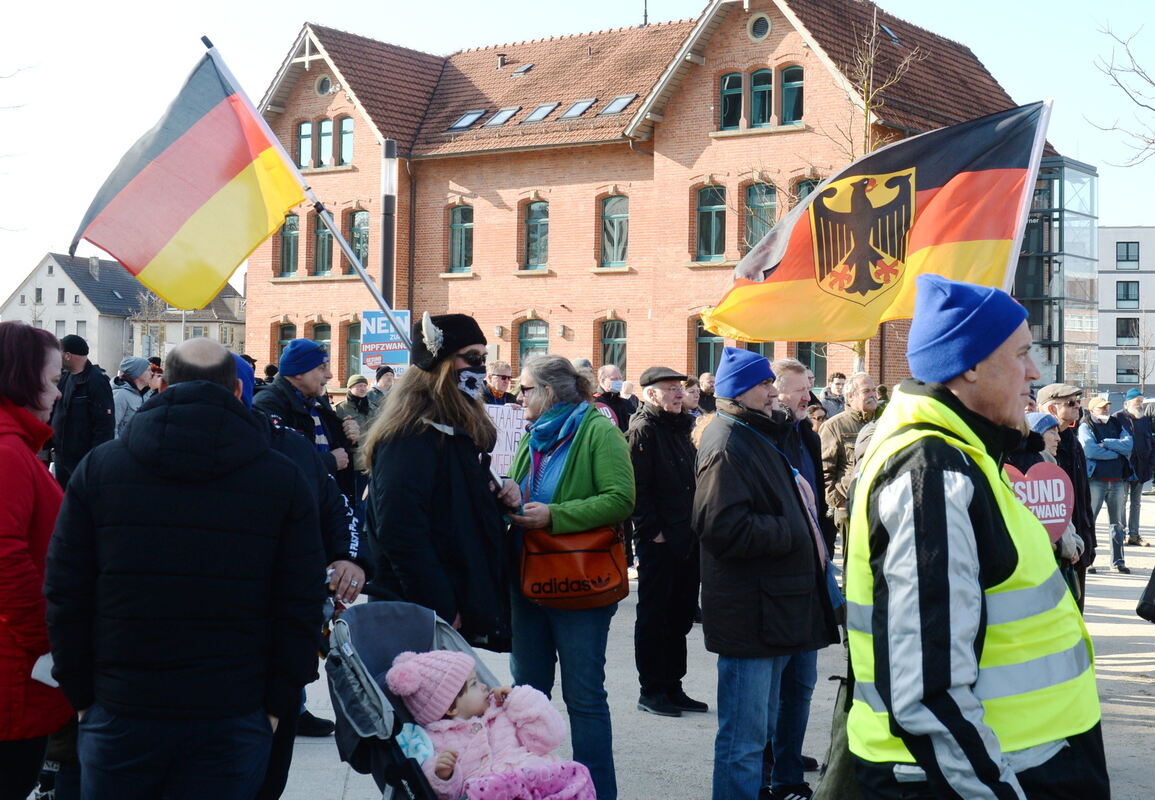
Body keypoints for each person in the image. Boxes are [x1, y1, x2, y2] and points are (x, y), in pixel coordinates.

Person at [845, 275, 1107, 799]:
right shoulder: (933, 471)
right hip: (984, 773)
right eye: (1022, 354)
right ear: (968, 364)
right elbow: (924, 690)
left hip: (1020, 758)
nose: (1034, 373)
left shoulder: (964, 456)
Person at [44, 338, 326, 800]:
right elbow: (299, 602)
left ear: (165, 384)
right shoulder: (281, 478)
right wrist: (279, 701)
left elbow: (64, 592)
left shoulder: (101, 468)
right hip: (224, 708)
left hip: (130, 706)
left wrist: (80, 693)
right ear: (238, 390)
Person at [693, 347, 838, 800]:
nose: (772, 391)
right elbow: (720, 527)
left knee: (760, 733)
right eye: (764, 384)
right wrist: (792, 528)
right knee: (744, 740)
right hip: (750, 613)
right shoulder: (728, 443)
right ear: (740, 391)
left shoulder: (756, 433)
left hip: (772, 607)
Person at [507, 354, 636, 800]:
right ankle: (525, 786)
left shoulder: (598, 429)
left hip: (580, 582)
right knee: (527, 697)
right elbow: (522, 483)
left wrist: (554, 516)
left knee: (583, 697)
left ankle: (597, 792)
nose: (517, 395)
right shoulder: (533, 434)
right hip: (528, 579)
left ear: (547, 392)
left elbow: (621, 499)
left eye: (525, 389)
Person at [362, 313, 520, 652]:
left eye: (484, 358)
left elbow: (452, 508)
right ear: (442, 363)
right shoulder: (411, 435)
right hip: (418, 612)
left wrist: (496, 494)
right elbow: (400, 529)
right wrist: (439, 605)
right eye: (473, 358)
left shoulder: (452, 431)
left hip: (449, 600)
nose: (480, 368)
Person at [0, 323, 74, 799]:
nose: (58, 394)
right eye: (51, 380)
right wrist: (48, 640)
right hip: (13, 674)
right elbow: (4, 559)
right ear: (22, 378)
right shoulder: (7, 452)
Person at [384, 650, 595, 800]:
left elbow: (551, 738)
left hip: (537, 781)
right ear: (451, 708)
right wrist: (443, 775)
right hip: (492, 790)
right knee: (488, 789)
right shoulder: (436, 741)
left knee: (578, 773)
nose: (485, 686)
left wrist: (519, 699)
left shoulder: (503, 713)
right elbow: (446, 793)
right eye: (474, 684)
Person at [627, 366, 705, 718]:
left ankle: (674, 685)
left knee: (681, 614)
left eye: (679, 387)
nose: (678, 393)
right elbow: (636, 488)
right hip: (660, 540)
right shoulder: (644, 430)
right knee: (655, 615)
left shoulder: (683, 426)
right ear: (651, 394)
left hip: (687, 536)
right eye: (669, 388)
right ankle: (652, 689)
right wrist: (651, 530)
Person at [253, 339, 358, 504]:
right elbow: (274, 463)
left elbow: (337, 452)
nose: (329, 375)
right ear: (298, 372)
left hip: (322, 504)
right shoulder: (269, 404)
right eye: (321, 368)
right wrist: (328, 462)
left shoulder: (317, 401)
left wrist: (347, 437)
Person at [1037, 383, 1096, 609]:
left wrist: (1088, 540)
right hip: (1055, 549)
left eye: (1078, 402)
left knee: (1076, 610)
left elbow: (1082, 497)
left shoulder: (1071, 440)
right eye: (1070, 403)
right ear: (1051, 409)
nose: (1077, 407)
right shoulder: (1039, 448)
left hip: (1079, 541)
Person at [820, 372, 879, 549]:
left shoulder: (885, 422)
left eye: (874, 390)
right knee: (854, 567)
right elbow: (824, 468)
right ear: (850, 396)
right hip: (850, 507)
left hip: (880, 504)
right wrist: (839, 502)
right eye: (866, 391)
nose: (873, 395)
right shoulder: (834, 426)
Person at [48, 334, 114, 488]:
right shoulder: (64, 378)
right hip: (60, 456)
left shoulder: (96, 381)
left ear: (68, 355)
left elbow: (105, 425)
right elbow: (55, 412)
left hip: (83, 460)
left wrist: (95, 459)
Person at [1079, 395, 1133, 574]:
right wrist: (1116, 453)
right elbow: (1089, 449)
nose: (1106, 410)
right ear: (1092, 410)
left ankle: (1118, 561)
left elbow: (1128, 445)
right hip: (1096, 481)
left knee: (1117, 524)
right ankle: (1088, 560)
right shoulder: (1086, 425)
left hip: (1117, 481)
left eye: (1107, 407)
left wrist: (1107, 444)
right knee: (1090, 522)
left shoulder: (1116, 424)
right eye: (1102, 408)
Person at [1116, 388, 1153, 547]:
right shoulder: (1117, 418)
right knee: (1122, 501)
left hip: (1141, 468)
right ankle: (1122, 533)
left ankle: (1134, 534)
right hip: (1124, 468)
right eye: (1137, 401)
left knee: (1136, 502)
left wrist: (1151, 466)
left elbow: (1150, 443)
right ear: (1128, 402)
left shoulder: (1144, 420)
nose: (1140, 405)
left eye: (1141, 402)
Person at [111, 356, 151, 438]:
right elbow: (111, 428)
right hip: (124, 449)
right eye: (148, 370)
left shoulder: (146, 394)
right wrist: (118, 450)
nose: (152, 373)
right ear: (138, 373)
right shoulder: (120, 395)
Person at [593, 364, 633, 432]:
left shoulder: (625, 403)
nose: (619, 382)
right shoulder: (594, 402)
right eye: (614, 379)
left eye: (620, 378)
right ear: (602, 381)